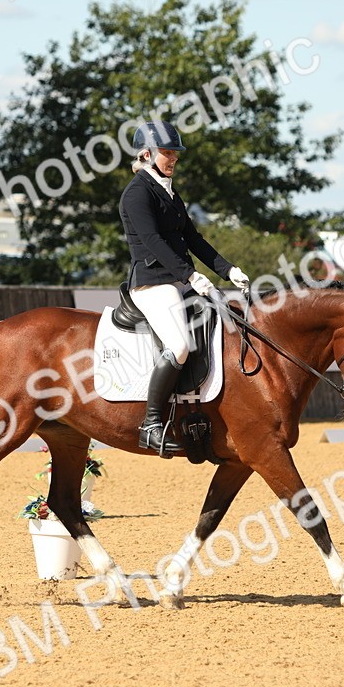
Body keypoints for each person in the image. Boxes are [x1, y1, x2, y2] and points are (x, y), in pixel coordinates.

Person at [118, 120, 250, 456]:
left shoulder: (168, 192)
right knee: (178, 346)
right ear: (146, 154)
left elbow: (193, 239)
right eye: (167, 152)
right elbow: (153, 241)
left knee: (222, 322)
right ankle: (150, 424)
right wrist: (191, 276)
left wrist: (227, 269)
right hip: (151, 284)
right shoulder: (137, 193)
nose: (173, 158)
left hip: (176, 283)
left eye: (175, 152)